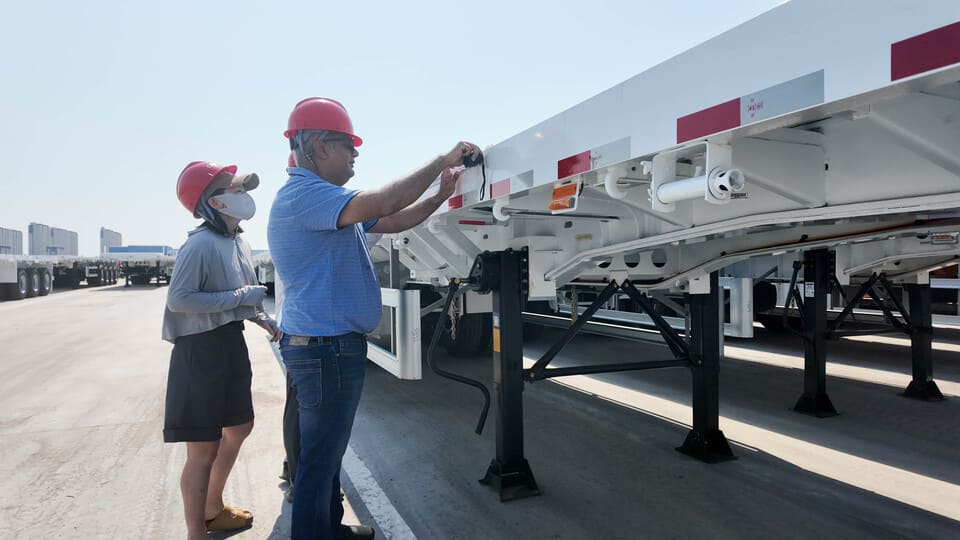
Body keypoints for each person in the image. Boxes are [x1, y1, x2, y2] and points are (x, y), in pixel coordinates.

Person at [267, 97, 480, 540]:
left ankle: (330, 529)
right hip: (326, 350)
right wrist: (445, 157)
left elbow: (395, 218)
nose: (355, 155)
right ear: (320, 147)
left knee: (324, 457)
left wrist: (441, 194)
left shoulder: (326, 205)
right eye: (349, 146)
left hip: (326, 347)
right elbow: (386, 198)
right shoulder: (306, 196)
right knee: (318, 462)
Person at [163, 160, 281, 539]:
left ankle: (212, 507)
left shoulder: (239, 242)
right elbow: (180, 299)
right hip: (199, 351)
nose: (244, 196)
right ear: (214, 203)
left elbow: (241, 297)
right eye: (236, 189)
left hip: (229, 342)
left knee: (240, 426)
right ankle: (197, 532)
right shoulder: (198, 245)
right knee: (202, 450)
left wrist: (260, 317)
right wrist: (240, 297)